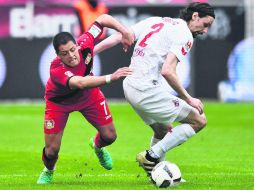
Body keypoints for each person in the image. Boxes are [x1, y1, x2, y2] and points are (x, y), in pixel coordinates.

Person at [94, 2, 215, 176]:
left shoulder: (156, 20)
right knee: (199, 121)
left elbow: (121, 36)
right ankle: (151, 156)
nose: (205, 31)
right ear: (195, 16)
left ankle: (156, 173)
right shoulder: (185, 35)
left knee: (162, 130)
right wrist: (189, 98)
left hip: (129, 86)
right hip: (145, 90)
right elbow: (168, 71)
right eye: (205, 25)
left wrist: (91, 51)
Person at [37, 14, 134, 184]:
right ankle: (49, 170)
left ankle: (97, 146)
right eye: (65, 53)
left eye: (73, 49)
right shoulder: (56, 68)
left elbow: (103, 18)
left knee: (110, 136)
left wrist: (124, 31)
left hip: (89, 96)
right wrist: (111, 77)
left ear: (76, 45)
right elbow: (80, 82)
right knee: (52, 151)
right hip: (59, 103)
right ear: (58, 55)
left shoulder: (85, 41)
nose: (72, 56)